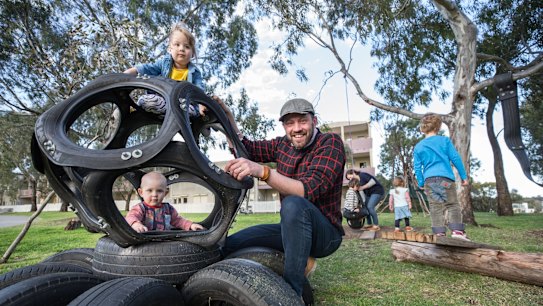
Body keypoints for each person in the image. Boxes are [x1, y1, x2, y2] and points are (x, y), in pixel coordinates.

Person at [220, 98, 345, 298]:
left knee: (294, 203)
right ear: (284, 126)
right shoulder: (282, 145)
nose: (296, 128)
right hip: (293, 230)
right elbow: (246, 148)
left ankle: (291, 295)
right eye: (289, 123)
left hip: (326, 235)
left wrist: (264, 172)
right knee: (231, 244)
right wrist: (227, 117)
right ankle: (302, 258)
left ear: (314, 121)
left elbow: (307, 190)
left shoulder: (330, 143)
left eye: (302, 121)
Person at [124, 22, 206, 117]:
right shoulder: (164, 63)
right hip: (163, 100)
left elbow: (199, 89)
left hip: (183, 105)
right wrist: (129, 73)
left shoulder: (194, 72)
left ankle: (199, 121)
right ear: (170, 49)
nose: (182, 49)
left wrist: (201, 105)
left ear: (192, 54)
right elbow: (148, 69)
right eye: (177, 44)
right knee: (146, 101)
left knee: (192, 112)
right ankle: (137, 112)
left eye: (187, 46)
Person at [413, 113, 469, 240]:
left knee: (435, 206)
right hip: (445, 180)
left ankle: (439, 233)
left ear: (422, 129)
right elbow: (455, 158)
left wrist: (421, 183)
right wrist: (463, 176)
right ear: (438, 127)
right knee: (452, 204)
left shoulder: (418, 146)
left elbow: (417, 167)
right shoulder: (444, 141)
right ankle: (457, 232)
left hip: (430, 181)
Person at [125, 171, 205, 233]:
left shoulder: (168, 209)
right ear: (141, 192)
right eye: (149, 190)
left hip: (164, 242)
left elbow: (178, 220)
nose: (154, 194)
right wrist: (136, 224)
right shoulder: (140, 208)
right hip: (146, 242)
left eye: (159, 191)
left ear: (165, 193)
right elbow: (130, 217)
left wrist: (191, 225)